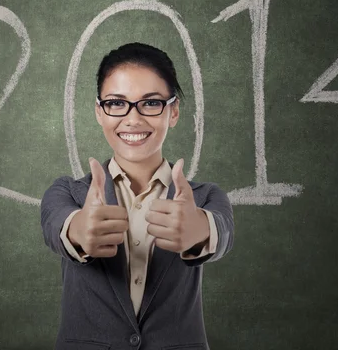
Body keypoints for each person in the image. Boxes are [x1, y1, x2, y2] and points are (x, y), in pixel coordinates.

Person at [41, 42, 234, 350]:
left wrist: (200, 230)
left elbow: (222, 232)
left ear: (173, 112)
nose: (133, 119)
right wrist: (80, 232)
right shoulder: (67, 192)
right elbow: (58, 228)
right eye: (117, 103)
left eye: (151, 103)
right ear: (99, 112)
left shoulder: (205, 196)